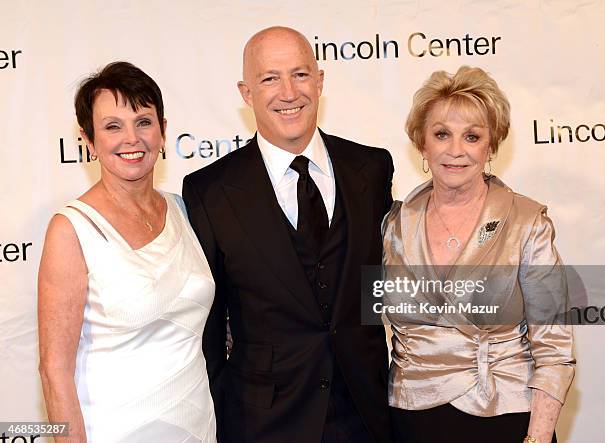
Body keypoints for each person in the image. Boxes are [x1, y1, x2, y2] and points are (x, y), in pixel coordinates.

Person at [183, 27, 394, 443]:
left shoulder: (371, 168)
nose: (288, 92)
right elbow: (208, 324)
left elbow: (381, 287)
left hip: (367, 415)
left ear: (320, 81)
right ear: (246, 93)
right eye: (269, 78)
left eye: (300, 74)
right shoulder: (209, 191)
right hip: (264, 422)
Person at [382, 66, 575, 443]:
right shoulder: (393, 225)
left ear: (491, 147)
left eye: (472, 136)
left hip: (505, 417)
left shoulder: (526, 222)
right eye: (442, 134)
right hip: (411, 421)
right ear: (423, 144)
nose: (456, 150)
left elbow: (554, 350)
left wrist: (536, 440)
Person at [38, 62, 216, 442]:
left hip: (197, 426)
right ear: (89, 140)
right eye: (113, 126)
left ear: (164, 130)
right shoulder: (72, 229)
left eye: (144, 122)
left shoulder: (185, 211)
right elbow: (54, 370)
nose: (131, 139)